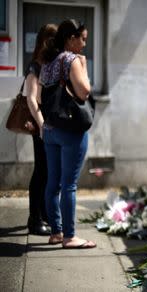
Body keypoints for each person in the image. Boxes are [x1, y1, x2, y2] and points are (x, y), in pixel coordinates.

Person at [39, 19, 96, 248]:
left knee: (53, 183)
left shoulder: (48, 61)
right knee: (69, 184)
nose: (84, 44)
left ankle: (56, 233)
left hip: (50, 129)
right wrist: (83, 67)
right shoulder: (72, 59)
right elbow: (84, 92)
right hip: (70, 129)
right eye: (82, 39)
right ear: (70, 38)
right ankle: (70, 237)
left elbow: (42, 95)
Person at [24, 24, 58, 235]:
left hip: (48, 125)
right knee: (41, 171)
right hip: (41, 126)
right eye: (54, 40)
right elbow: (31, 98)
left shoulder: (47, 64)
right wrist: (42, 124)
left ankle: (44, 214)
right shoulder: (35, 66)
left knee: (47, 172)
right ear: (46, 40)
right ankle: (34, 219)